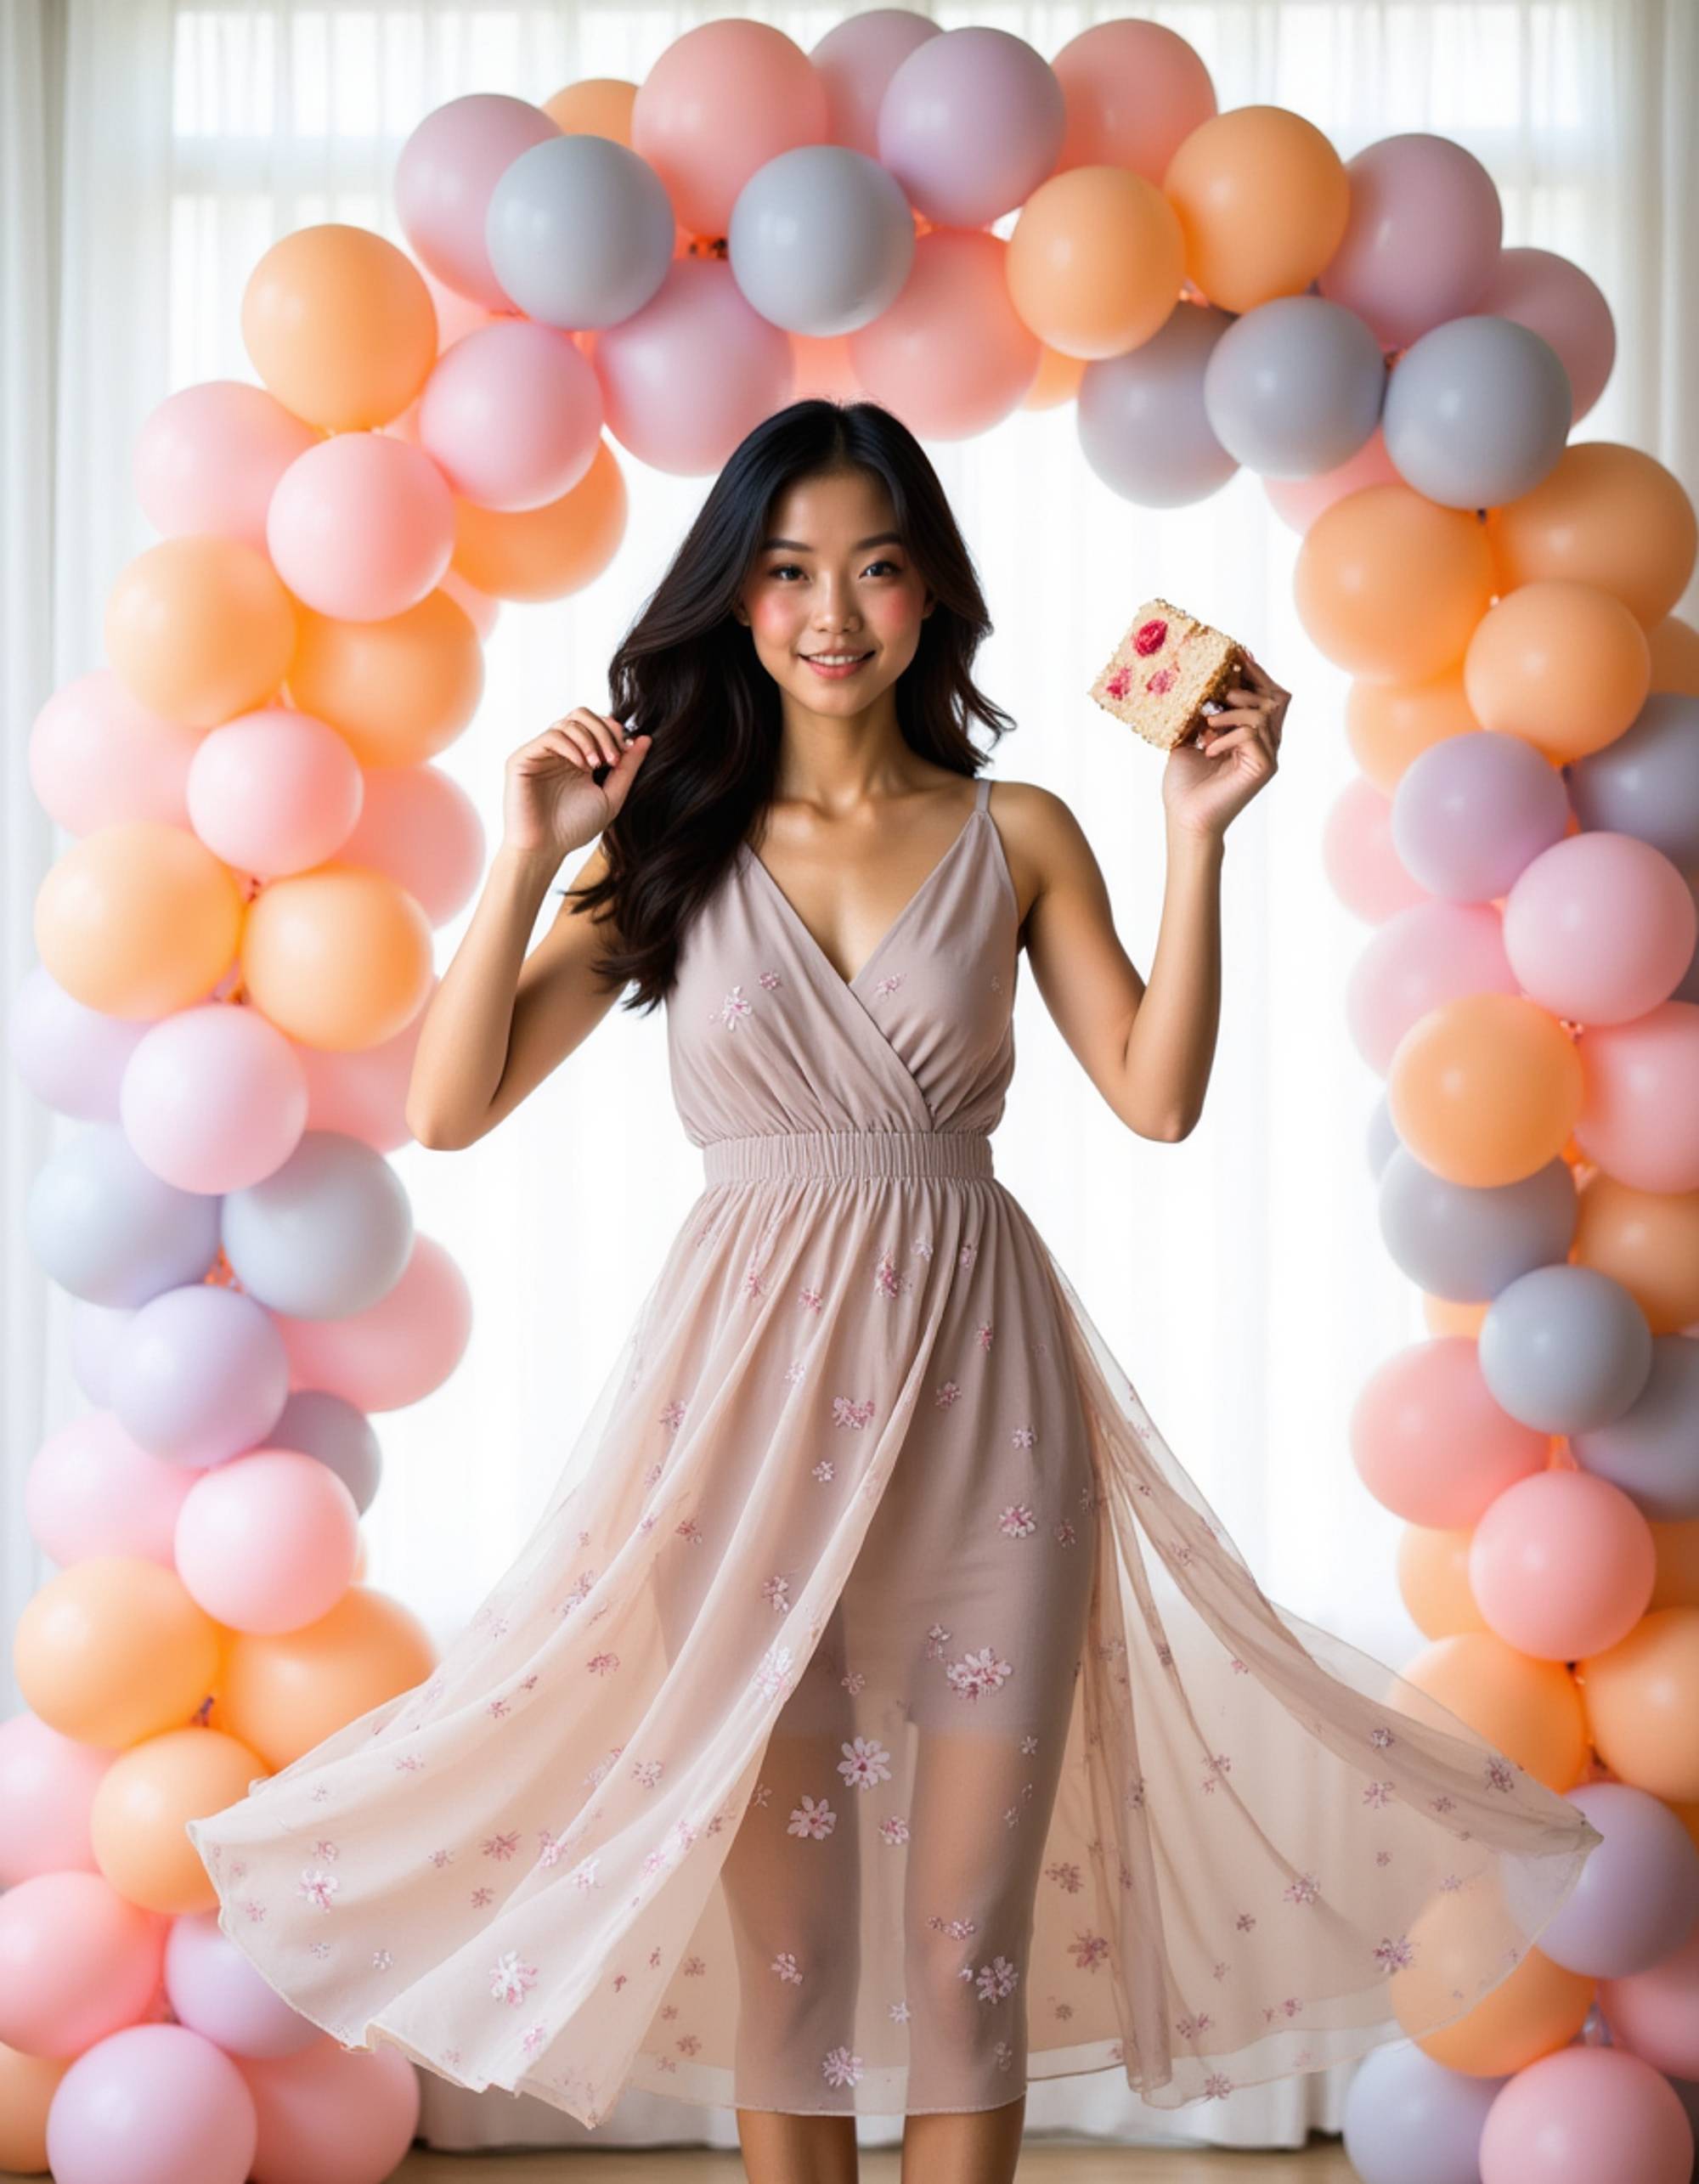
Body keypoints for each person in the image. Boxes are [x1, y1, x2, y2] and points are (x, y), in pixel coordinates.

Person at [185, 400, 1600, 2184]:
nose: (829, 608)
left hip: (985, 1415)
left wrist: (1197, 833)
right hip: (745, 1423)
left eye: (871, 563)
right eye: (783, 570)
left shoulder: (1019, 827)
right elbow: (450, 1106)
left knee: (961, 1954)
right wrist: (532, 846)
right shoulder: (670, 840)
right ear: (734, 597)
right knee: (792, 1954)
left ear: (931, 592)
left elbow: (1157, 1099)